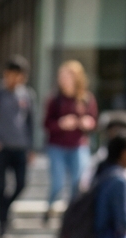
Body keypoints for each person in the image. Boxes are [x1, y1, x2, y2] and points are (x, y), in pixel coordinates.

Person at [0, 56, 36, 238]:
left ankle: (5, 208)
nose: (15, 79)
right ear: (6, 74)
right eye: (13, 75)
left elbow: (30, 123)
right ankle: (2, 223)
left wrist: (31, 147)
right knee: (1, 186)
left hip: (20, 147)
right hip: (1, 148)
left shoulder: (27, 95)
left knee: (21, 183)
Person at [42, 61, 97, 223]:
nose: (64, 80)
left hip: (78, 145)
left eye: (68, 76)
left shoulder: (86, 99)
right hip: (57, 146)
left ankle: (71, 214)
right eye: (62, 76)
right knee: (57, 183)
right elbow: (46, 124)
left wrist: (88, 123)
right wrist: (61, 124)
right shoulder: (54, 99)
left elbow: (94, 121)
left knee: (78, 183)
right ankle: (50, 207)